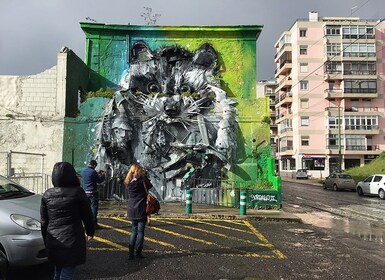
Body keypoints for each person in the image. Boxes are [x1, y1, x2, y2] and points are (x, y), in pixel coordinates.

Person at [40, 162, 95, 280]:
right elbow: (87, 215)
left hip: (53, 239)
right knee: (67, 273)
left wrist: (46, 239)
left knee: (58, 271)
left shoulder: (47, 194)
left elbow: (44, 221)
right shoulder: (78, 192)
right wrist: (90, 232)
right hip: (72, 239)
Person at [123, 163, 153, 260]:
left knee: (133, 231)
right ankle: (138, 253)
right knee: (140, 232)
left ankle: (130, 254)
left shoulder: (128, 182)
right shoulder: (142, 181)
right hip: (141, 209)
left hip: (132, 209)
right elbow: (150, 185)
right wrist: (144, 176)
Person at [81, 159, 105, 229]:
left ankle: (86, 224)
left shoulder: (84, 171)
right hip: (93, 193)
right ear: (94, 165)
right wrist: (103, 175)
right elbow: (99, 181)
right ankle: (94, 224)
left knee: (87, 209)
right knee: (94, 209)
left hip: (85, 192)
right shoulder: (93, 172)